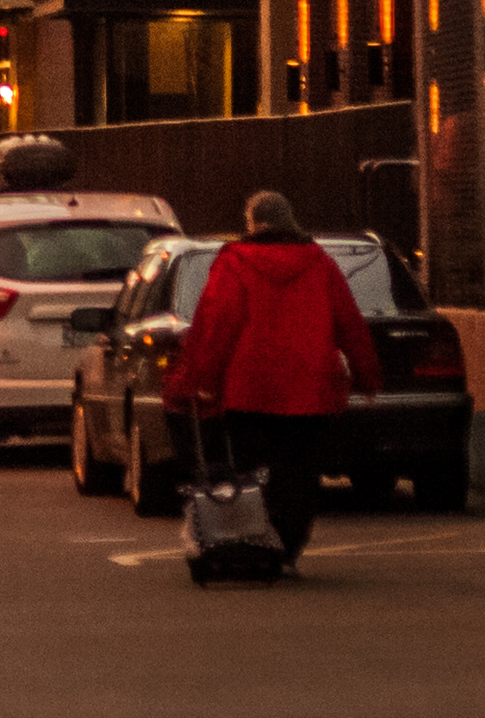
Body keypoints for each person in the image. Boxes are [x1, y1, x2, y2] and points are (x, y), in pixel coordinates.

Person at [162, 190, 382, 569]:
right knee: (300, 470)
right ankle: (289, 543)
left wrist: (202, 379)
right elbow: (349, 322)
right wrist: (367, 376)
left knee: (249, 469)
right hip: (310, 387)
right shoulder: (319, 263)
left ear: (253, 223)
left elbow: (218, 324)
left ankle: (254, 538)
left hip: (249, 387)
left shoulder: (234, 263)